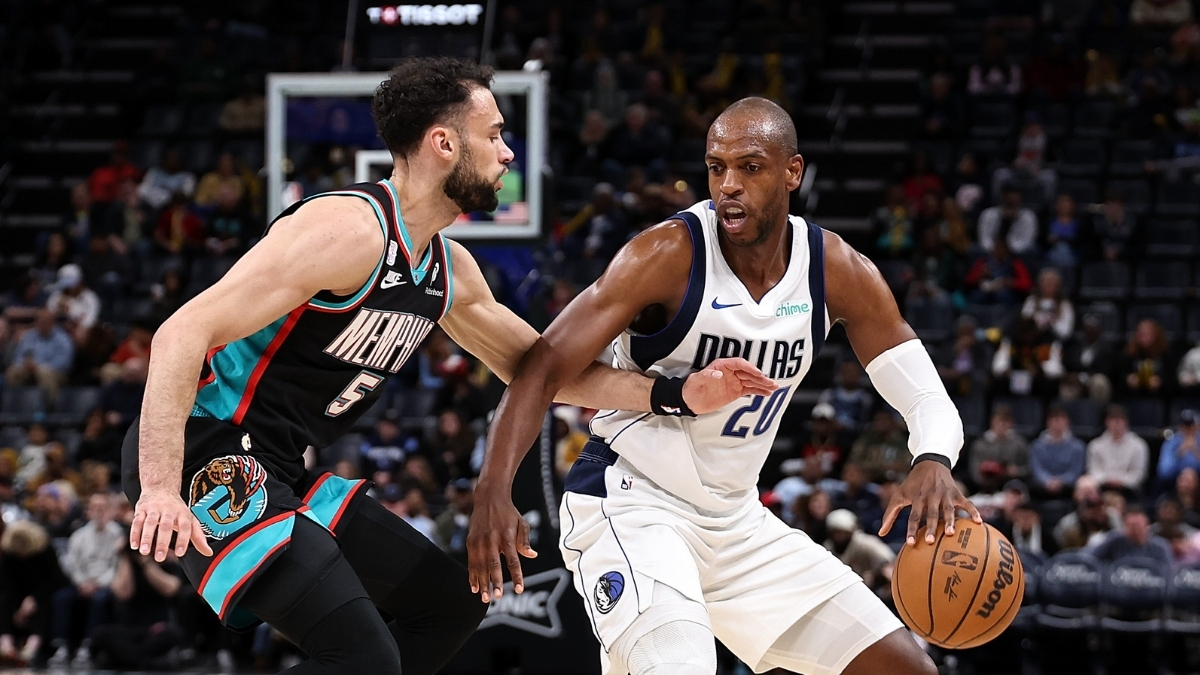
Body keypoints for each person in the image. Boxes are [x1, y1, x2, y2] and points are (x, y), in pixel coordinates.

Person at [122, 58, 764, 675]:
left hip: (282, 465)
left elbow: (544, 372)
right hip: (209, 451)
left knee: (449, 607)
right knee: (365, 659)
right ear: (444, 143)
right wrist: (159, 488)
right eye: (494, 135)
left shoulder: (447, 270)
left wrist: (676, 394)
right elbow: (180, 333)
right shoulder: (346, 230)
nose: (507, 153)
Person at [470, 97, 977, 675]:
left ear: (792, 172)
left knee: (908, 670)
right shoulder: (666, 254)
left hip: (736, 522)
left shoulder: (835, 269)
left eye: (750, 167)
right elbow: (541, 367)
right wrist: (493, 488)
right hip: (633, 503)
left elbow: (925, 394)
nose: (728, 185)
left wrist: (933, 458)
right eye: (717, 168)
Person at [48, 494, 124, 668]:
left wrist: (98, 584)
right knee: (61, 598)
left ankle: (88, 646)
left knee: (100, 600)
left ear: (110, 511)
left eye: (103, 508)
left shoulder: (118, 535)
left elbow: (116, 566)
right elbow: (72, 565)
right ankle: (61, 646)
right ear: (88, 511)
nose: (99, 512)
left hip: (105, 583)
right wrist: (82, 583)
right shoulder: (79, 536)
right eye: (95, 508)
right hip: (82, 582)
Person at [0, 521, 69, 667]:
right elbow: (7, 583)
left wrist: (33, 599)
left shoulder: (44, 549)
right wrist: (18, 609)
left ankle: (31, 648)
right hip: (17, 595)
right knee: (4, 602)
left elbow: (57, 579)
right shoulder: (9, 552)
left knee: (44, 605)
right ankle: (6, 646)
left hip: (42, 592)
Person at [5, 308, 75, 401]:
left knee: (44, 374)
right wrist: (25, 364)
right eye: (40, 320)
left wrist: (38, 366)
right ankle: (13, 404)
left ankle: (48, 406)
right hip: (29, 369)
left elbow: (65, 362)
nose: (43, 323)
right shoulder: (29, 336)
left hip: (53, 371)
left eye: (46, 320)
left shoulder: (63, 338)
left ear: (52, 322)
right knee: (12, 372)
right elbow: (18, 357)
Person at [823, 509, 895, 597]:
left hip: (873, 587)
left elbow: (888, 561)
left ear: (850, 531)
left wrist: (879, 577)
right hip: (844, 589)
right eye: (835, 532)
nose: (839, 536)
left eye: (842, 532)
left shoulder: (864, 542)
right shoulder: (828, 547)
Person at [1087, 405, 1150, 493]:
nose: (1116, 424)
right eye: (1112, 420)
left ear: (1126, 422)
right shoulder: (1095, 445)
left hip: (1129, 488)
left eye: (1119, 420)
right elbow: (1094, 470)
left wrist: (1122, 481)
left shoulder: (1139, 445)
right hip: (1102, 486)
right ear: (1106, 422)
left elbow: (1139, 473)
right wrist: (1107, 479)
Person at [1030, 406, 1087, 499]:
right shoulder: (1037, 446)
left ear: (1067, 422)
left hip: (1069, 485)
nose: (1057, 424)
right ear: (1048, 423)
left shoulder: (1078, 447)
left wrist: (1062, 481)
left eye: (1060, 420)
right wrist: (1047, 480)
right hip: (1043, 485)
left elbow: (1076, 470)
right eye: (1054, 421)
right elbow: (1037, 468)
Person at [1088, 504, 1173, 565]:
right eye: (1132, 526)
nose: (1136, 531)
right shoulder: (1114, 541)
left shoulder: (1160, 546)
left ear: (1147, 526)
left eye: (1139, 526)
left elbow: (1168, 571)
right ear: (1125, 527)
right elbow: (1088, 557)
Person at [968, 405, 1030, 487]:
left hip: (1012, 486)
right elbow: (974, 471)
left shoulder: (1019, 443)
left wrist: (1017, 471)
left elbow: (1028, 468)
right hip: (985, 486)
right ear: (992, 421)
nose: (1001, 425)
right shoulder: (980, 444)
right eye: (999, 421)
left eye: (1005, 422)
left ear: (1011, 423)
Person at [1021, 267, 1074, 341]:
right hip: (1034, 340)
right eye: (1046, 282)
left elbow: (1066, 332)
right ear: (1040, 284)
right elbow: (1025, 323)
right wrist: (1039, 321)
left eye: (1052, 283)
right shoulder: (1031, 301)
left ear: (1058, 285)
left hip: (1056, 341)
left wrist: (1052, 323)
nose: (1049, 285)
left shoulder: (1064, 305)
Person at [1156, 409, 1200, 491]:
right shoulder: (1171, 442)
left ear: (1197, 426)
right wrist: (1179, 453)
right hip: (1175, 483)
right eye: (1184, 425)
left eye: (1191, 425)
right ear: (1179, 427)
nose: (1187, 429)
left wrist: (1196, 451)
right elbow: (1164, 472)